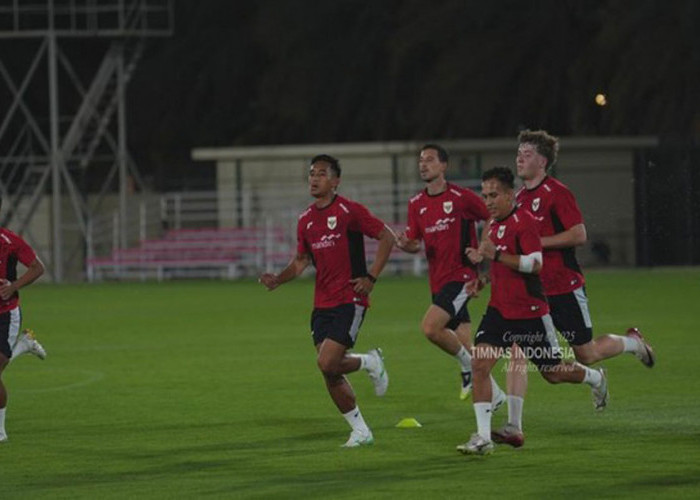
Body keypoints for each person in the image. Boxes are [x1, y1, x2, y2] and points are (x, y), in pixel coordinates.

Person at [491, 130, 656, 448]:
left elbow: (579, 234)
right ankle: (513, 426)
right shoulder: (518, 199)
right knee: (518, 351)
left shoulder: (557, 193)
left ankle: (632, 344)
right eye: (518, 153)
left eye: (526, 153)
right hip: (532, 293)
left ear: (542, 161)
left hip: (563, 287)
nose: (519, 158)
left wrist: (538, 242)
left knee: (587, 353)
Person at [457, 167, 608, 456]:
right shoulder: (494, 224)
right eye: (485, 195)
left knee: (553, 373)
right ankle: (483, 437)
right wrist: (482, 279)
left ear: (509, 195)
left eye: (494, 195)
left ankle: (595, 378)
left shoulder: (524, 222)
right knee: (479, 364)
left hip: (530, 314)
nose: (488, 201)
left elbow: (535, 263)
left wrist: (495, 254)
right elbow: (499, 264)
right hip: (499, 312)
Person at [259, 154, 395, 448]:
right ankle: (361, 431)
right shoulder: (305, 220)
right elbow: (301, 261)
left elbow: (387, 237)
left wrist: (371, 277)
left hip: (350, 299)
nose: (314, 178)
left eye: (321, 173)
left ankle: (370, 361)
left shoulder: (349, 211)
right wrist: (278, 279)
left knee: (327, 361)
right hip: (321, 305)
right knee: (329, 370)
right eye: (311, 173)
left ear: (335, 181)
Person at [396, 144, 505, 407]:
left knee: (431, 328)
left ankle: (467, 369)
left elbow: (492, 216)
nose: (423, 164)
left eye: (429, 160)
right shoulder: (416, 203)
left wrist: (483, 247)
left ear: (444, 165)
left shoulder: (461, 197)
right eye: (421, 160)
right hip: (438, 280)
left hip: (462, 277)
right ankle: (496, 395)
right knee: (466, 344)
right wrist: (406, 245)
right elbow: (415, 242)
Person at [0, 208, 48, 443]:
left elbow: (38, 268)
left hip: (6, 314)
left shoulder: (9, 241)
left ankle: (0, 432)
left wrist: (13, 286)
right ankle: (25, 345)